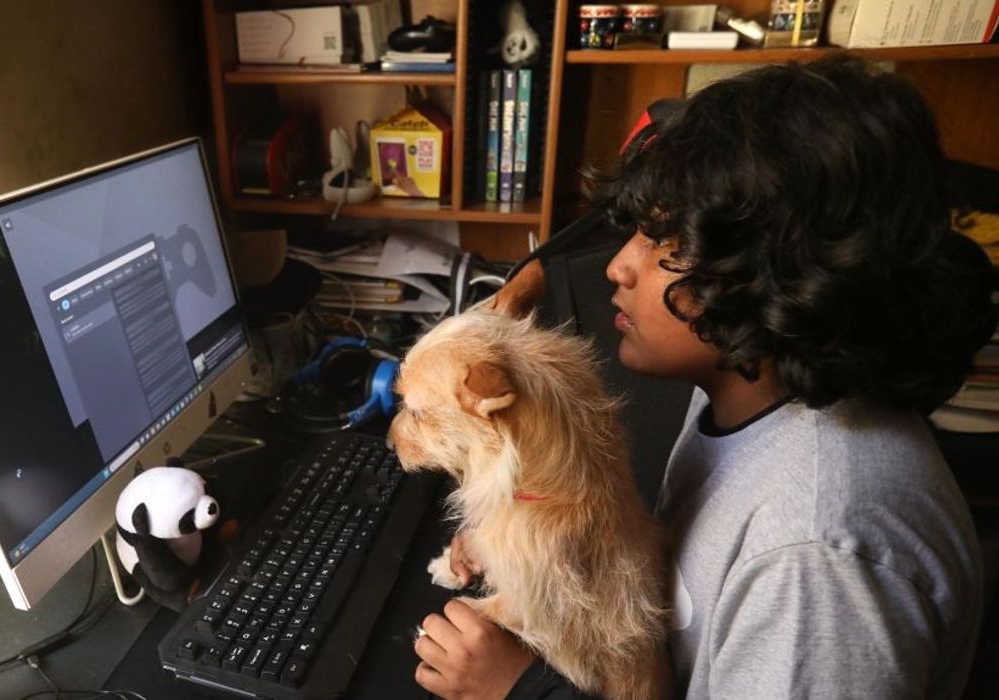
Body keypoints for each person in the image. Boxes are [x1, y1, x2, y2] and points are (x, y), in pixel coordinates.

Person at [412, 55, 997, 699]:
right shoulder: (741, 397)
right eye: (635, 231)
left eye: (672, 245)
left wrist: (518, 691)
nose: (619, 267)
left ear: (787, 273)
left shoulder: (815, 555)